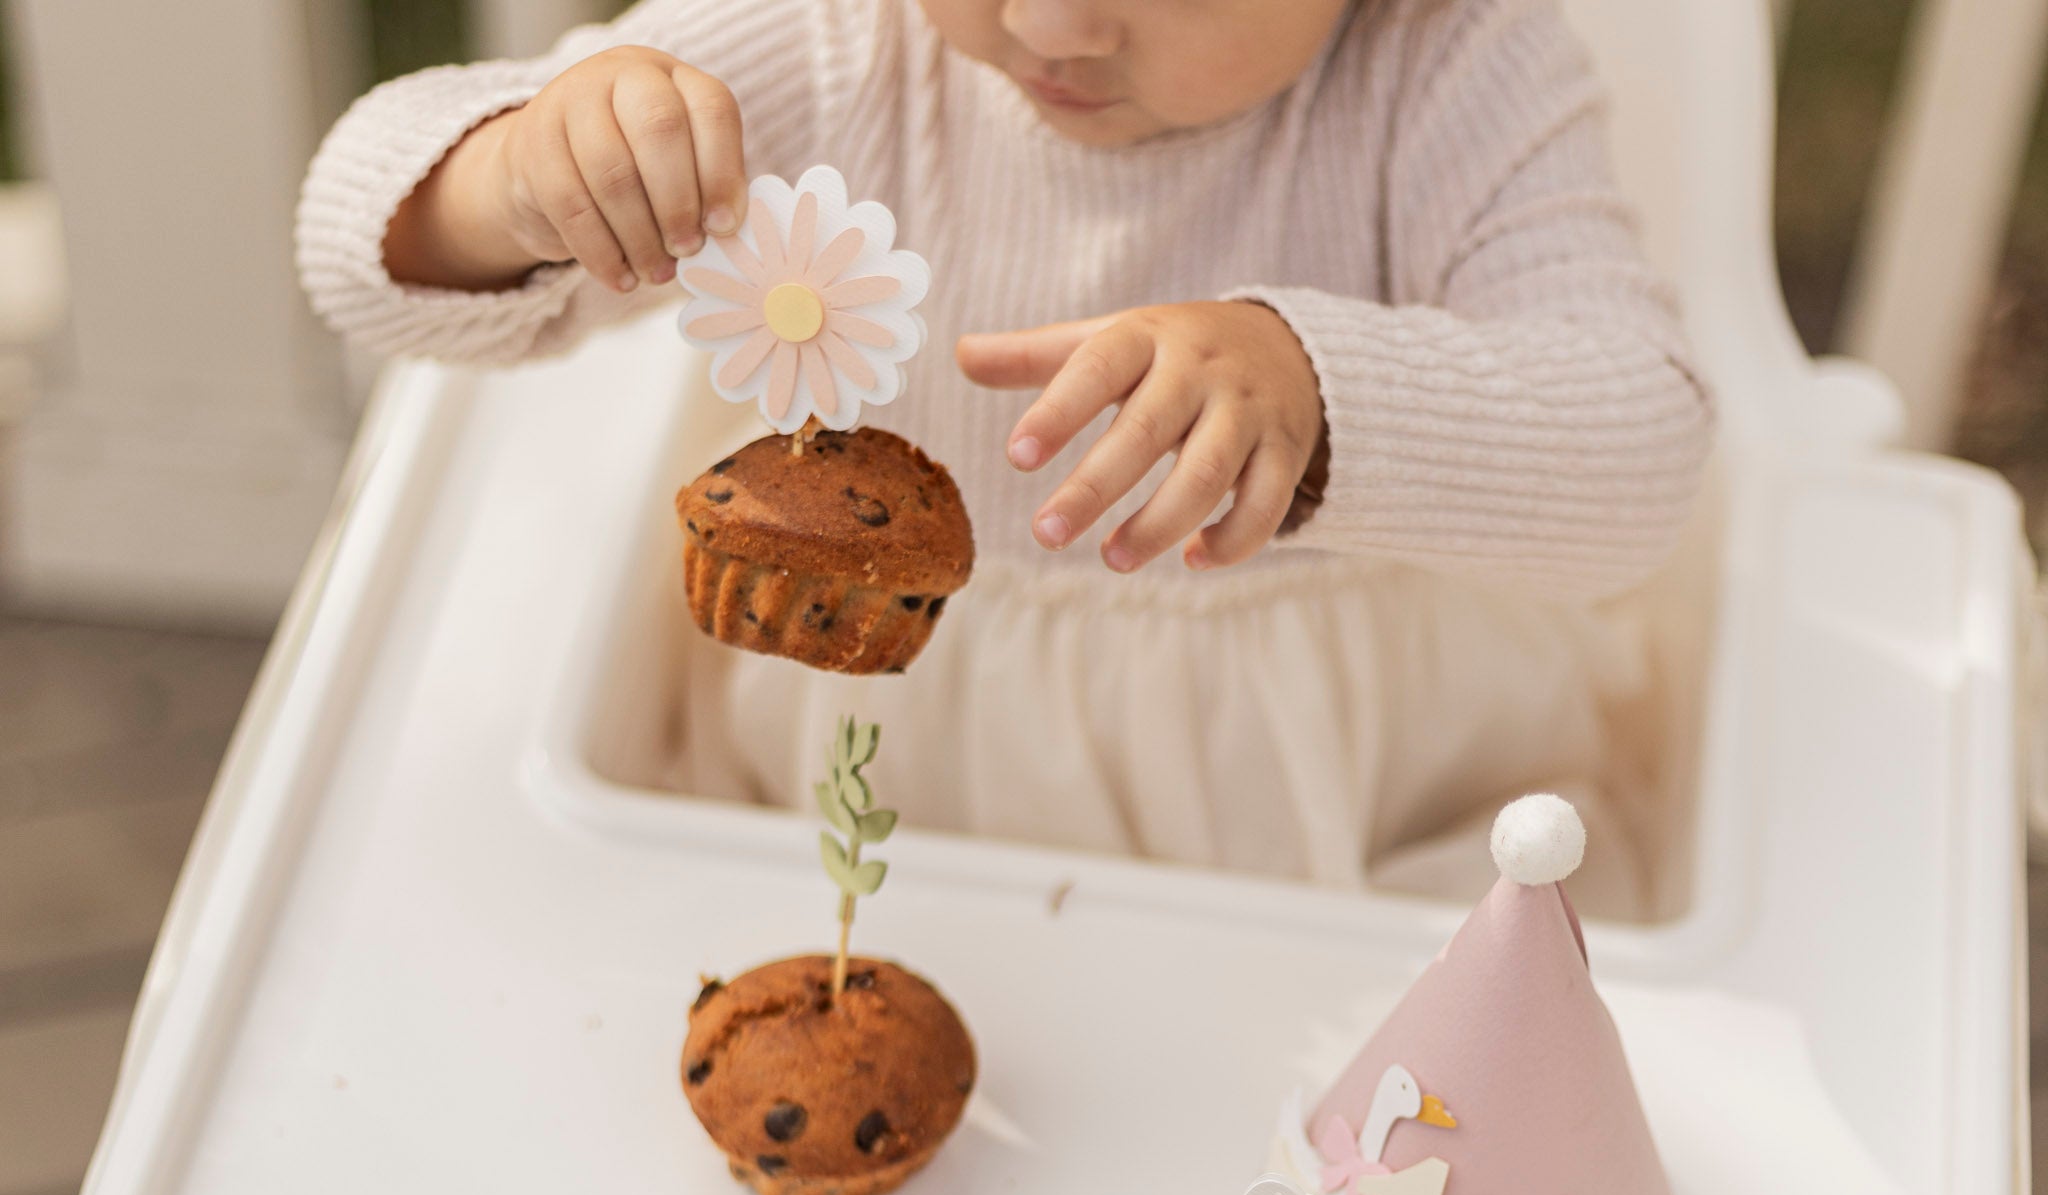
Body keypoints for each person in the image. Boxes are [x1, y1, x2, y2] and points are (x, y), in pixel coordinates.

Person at [298, 0, 1712, 911]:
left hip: (1354, 852)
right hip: (844, 828)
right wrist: (519, 174)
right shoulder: (842, 44)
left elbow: (1646, 451)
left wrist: (1318, 391)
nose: (1051, 21)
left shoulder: (1457, 71)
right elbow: (356, 252)